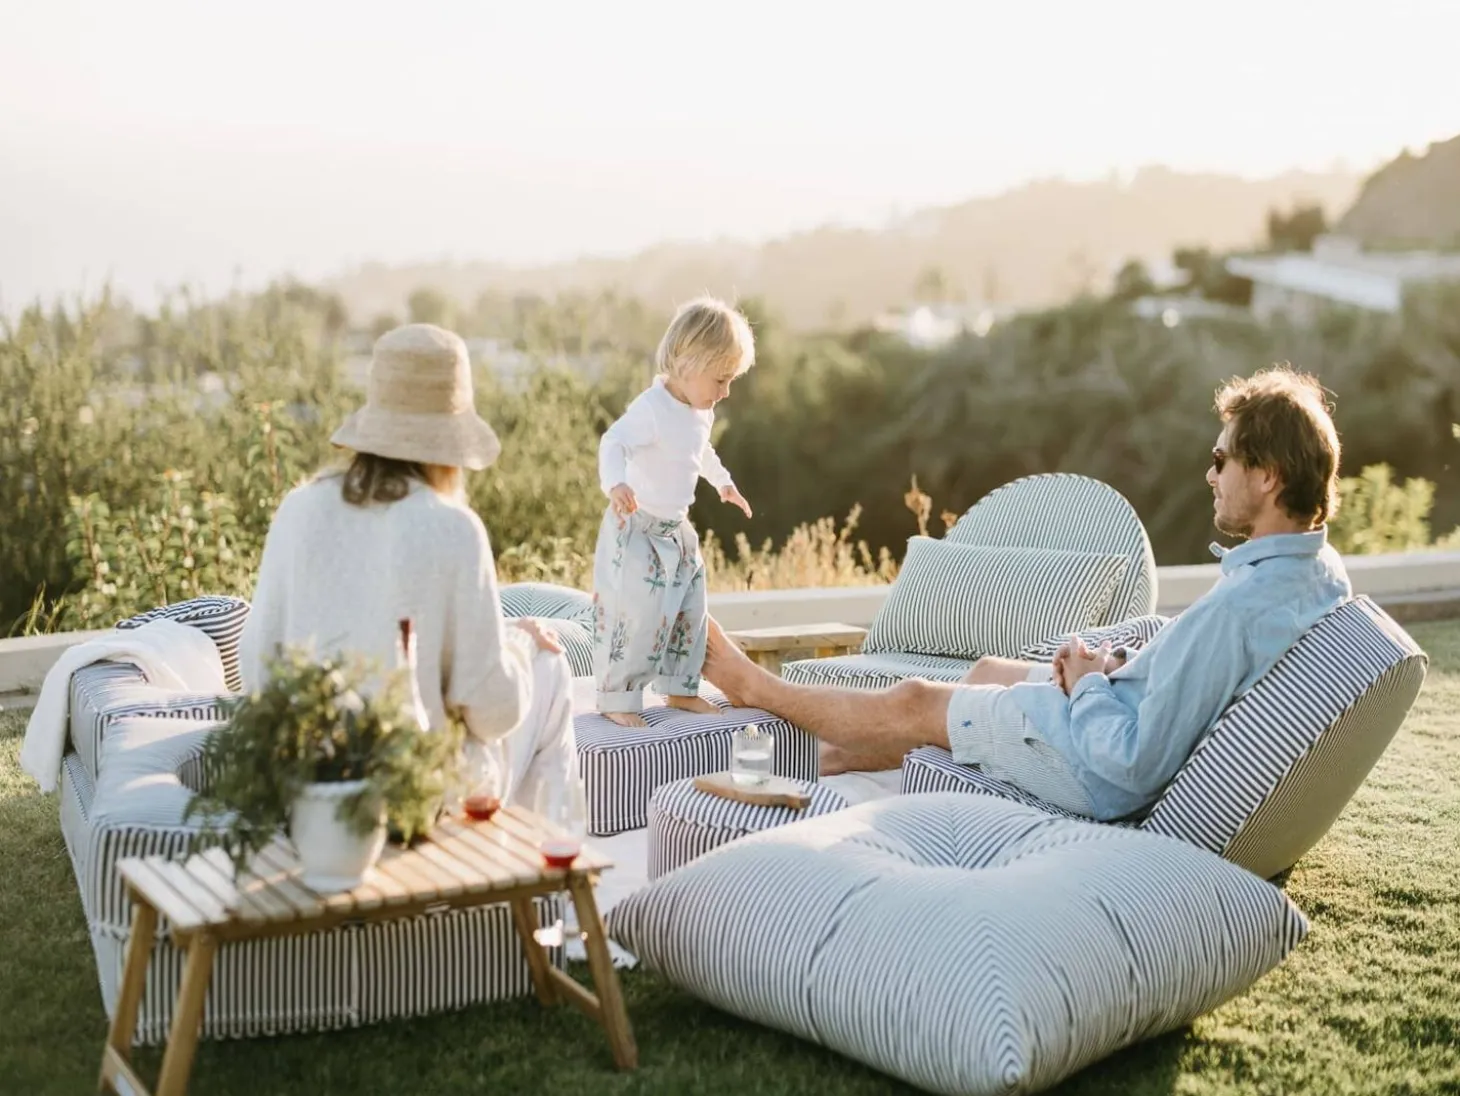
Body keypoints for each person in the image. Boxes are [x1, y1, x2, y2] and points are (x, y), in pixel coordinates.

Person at [704, 365, 1353, 821]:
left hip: (1086, 764)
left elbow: (1129, 765)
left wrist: (1094, 686)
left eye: (1221, 461)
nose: (1208, 475)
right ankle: (844, 751)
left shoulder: (1239, 610)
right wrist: (1111, 670)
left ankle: (753, 687)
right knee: (986, 670)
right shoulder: (1316, 574)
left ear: (1267, 476)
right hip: (1113, 706)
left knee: (917, 698)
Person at [238, 323, 577, 808]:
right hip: (414, 793)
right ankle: (549, 862)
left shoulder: (298, 509)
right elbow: (492, 712)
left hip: (304, 791)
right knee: (549, 663)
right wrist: (519, 645)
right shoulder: (452, 528)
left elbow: (256, 666)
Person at [591, 297, 755, 727]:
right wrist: (617, 484)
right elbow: (613, 442)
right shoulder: (652, 409)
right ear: (688, 362)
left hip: (676, 530)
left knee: (689, 611)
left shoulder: (701, 411)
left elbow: (701, 450)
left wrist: (723, 482)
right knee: (638, 615)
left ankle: (681, 689)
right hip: (639, 529)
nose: (726, 391)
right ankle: (617, 696)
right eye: (722, 379)